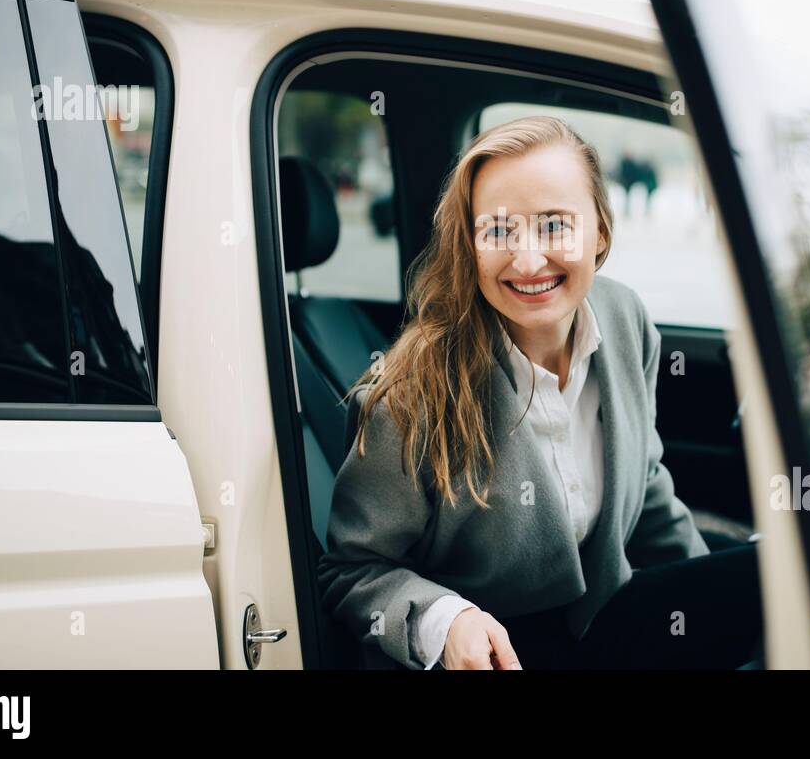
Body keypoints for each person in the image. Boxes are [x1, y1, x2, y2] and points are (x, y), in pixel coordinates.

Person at [316, 116, 760, 670]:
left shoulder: (625, 320)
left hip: (606, 619)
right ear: (471, 243)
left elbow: (644, 486)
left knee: (776, 580)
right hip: (501, 655)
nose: (527, 261)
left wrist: (704, 607)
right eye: (499, 231)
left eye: (554, 225)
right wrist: (446, 621)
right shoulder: (412, 394)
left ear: (599, 230)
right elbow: (351, 570)